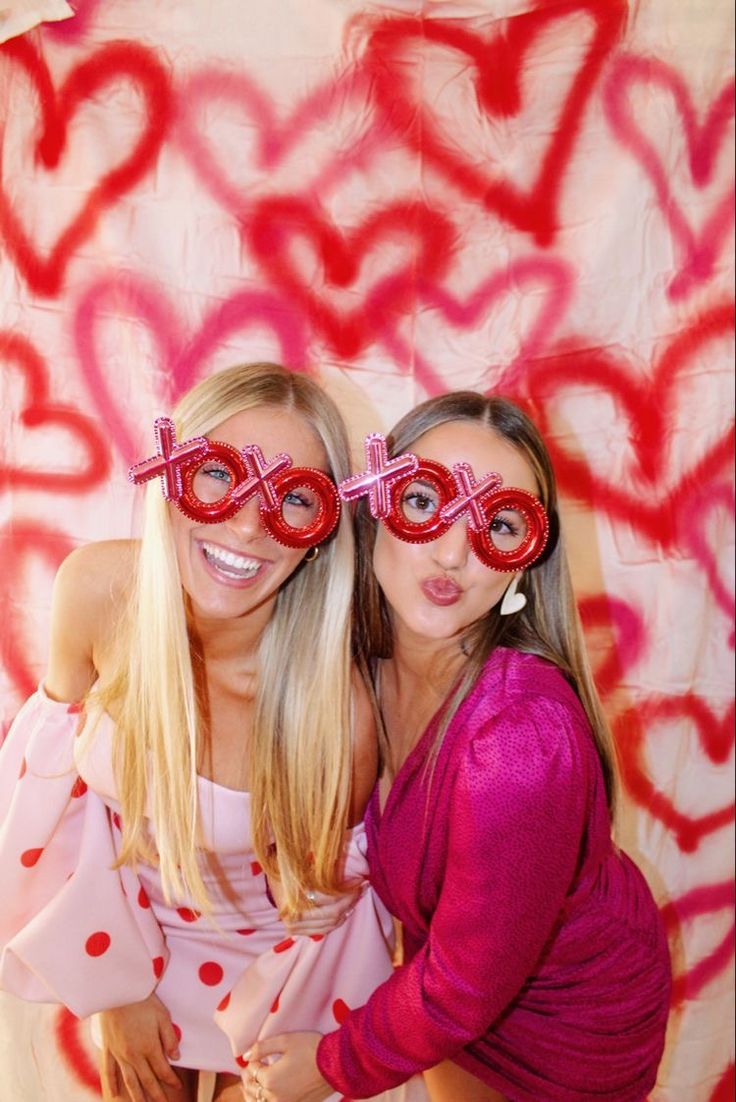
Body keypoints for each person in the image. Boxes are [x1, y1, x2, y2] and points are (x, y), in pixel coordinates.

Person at [244, 392, 672, 1102]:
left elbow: (466, 985)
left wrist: (330, 1067)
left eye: (498, 523)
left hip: (566, 1021)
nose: (452, 551)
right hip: (446, 986)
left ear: (524, 563)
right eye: (422, 500)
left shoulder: (519, 741)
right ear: (372, 504)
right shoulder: (361, 670)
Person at [0, 362, 399, 1102]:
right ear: (168, 475)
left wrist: (302, 1052)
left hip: (283, 964)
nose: (247, 524)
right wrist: (113, 982)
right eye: (218, 474)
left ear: (321, 536)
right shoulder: (96, 595)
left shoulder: (339, 712)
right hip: (131, 925)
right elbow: (49, 807)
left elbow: (320, 907)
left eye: (293, 499)